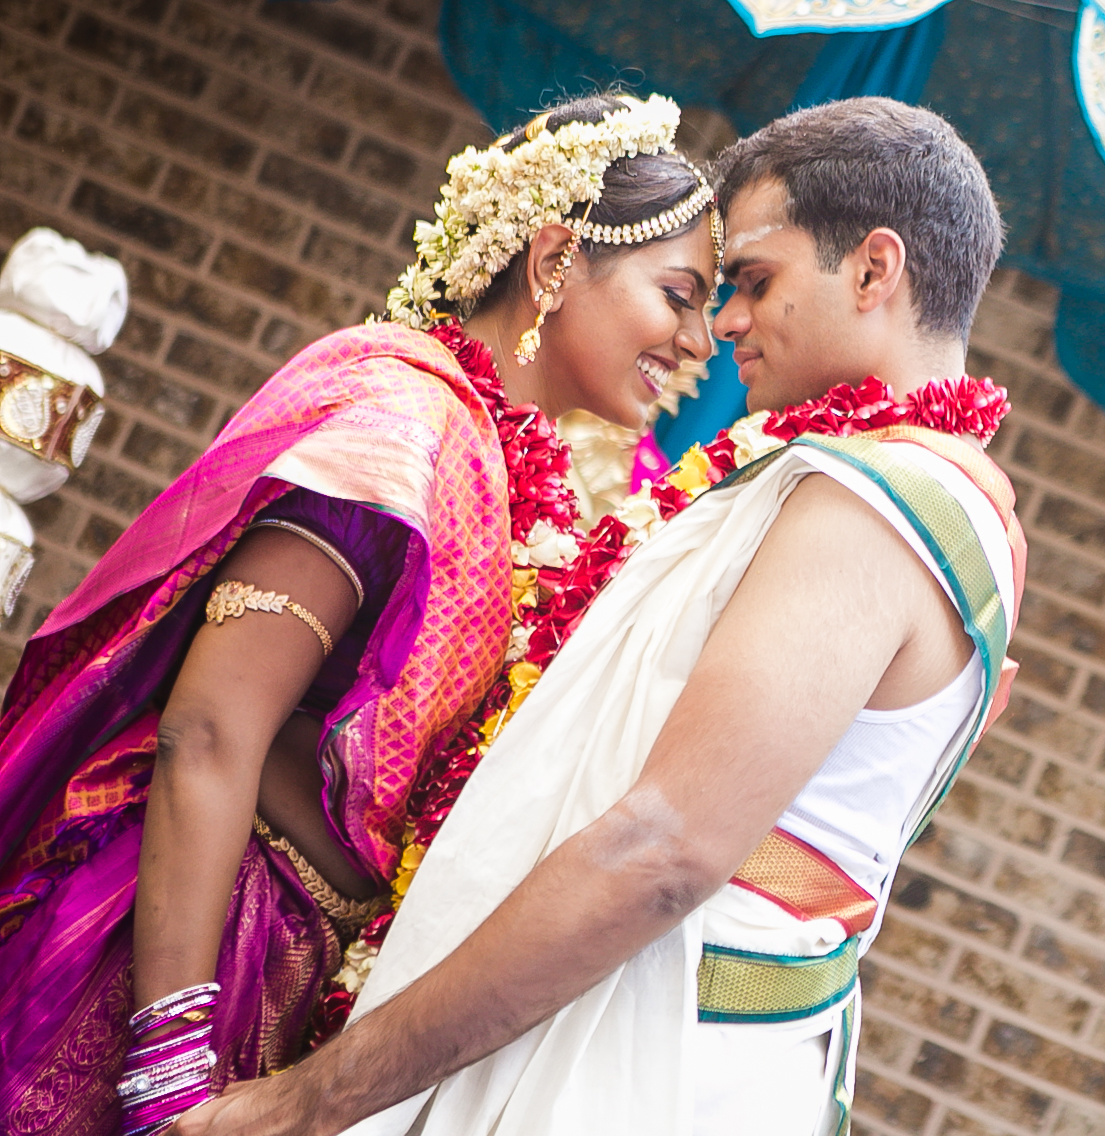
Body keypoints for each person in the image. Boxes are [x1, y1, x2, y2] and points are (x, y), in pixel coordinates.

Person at [176, 97, 1025, 1136]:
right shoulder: (863, 492)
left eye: (753, 281)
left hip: (644, 1067)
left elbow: (663, 852)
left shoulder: (873, 511)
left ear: (873, 270)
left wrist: (315, 1099)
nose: (724, 322)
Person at [0, 92, 722, 1135]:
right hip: (160, 965)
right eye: (678, 293)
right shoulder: (400, 429)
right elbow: (211, 726)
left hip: (279, 977)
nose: (700, 340)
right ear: (556, 257)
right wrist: (165, 1065)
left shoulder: (498, 463)